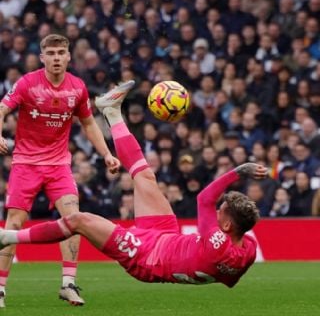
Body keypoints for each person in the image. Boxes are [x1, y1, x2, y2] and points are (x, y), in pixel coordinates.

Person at [0, 80, 268, 292]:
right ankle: (112, 111)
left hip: (146, 257)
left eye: (222, 212)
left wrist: (238, 171)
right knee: (144, 176)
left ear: (226, 226)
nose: (217, 211)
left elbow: (204, 199)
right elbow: (228, 274)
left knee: (79, 220)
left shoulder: (217, 242)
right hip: (166, 238)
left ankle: (7, 237)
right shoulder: (247, 251)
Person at [0, 34, 121, 307]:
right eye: (51, 53)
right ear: (42, 57)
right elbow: (1, 110)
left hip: (58, 166)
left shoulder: (77, 88)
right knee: (14, 224)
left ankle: (68, 284)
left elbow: (89, 124)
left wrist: (106, 154)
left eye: (60, 53)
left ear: (68, 57)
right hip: (26, 164)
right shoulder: (28, 83)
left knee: (73, 218)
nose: (56, 58)